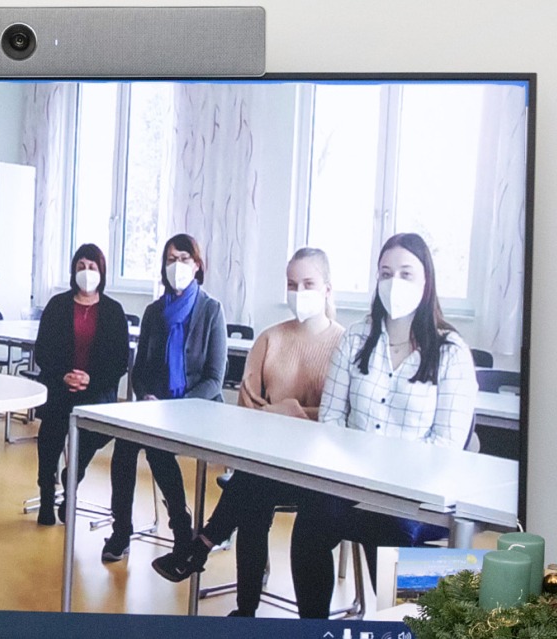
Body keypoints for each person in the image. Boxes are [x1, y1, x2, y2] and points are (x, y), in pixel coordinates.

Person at [284, 232, 476, 614]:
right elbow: (332, 419)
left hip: (414, 497)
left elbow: (447, 446)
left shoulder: (451, 352)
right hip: (351, 482)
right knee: (310, 525)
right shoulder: (356, 337)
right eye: (386, 273)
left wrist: (387, 484)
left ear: (427, 282)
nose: (394, 284)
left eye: (406, 274)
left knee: (387, 531)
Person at [152, 248, 345, 601]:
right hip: (268, 461)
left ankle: (204, 545)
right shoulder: (270, 339)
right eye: (291, 283)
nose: (298, 291)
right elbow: (248, 406)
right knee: (254, 488)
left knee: (250, 486)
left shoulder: (344, 344)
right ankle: (242, 603)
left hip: (320, 472)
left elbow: (341, 416)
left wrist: (290, 410)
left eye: (308, 283)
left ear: (328, 289)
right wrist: (286, 412)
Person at [102, 233, 224, 564]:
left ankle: (181, 529)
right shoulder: (154, 312)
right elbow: (138, 369)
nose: (177, 266)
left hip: (197, 410)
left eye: (184, 259)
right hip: (157, 406)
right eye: (171, 259)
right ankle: (121, 530)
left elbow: (215, 378)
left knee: (155, 445)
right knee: (125, 444)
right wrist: (147, 396)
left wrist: (175, 408)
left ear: (197, 265)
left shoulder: (212, 311)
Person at [29, 243, 131, 526]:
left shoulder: (113, 311)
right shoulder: (57, 305)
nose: (87, 273)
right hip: (60, 386)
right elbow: (43, 350)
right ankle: (47, 492)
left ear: (102, 272)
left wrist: (91, 379)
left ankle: (71, 479)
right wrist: (64, 375)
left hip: (96, 390)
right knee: (51, 433)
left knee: (92, 434)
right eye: (81, 266)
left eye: (93, 267)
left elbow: (120, 360)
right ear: (73, 271)